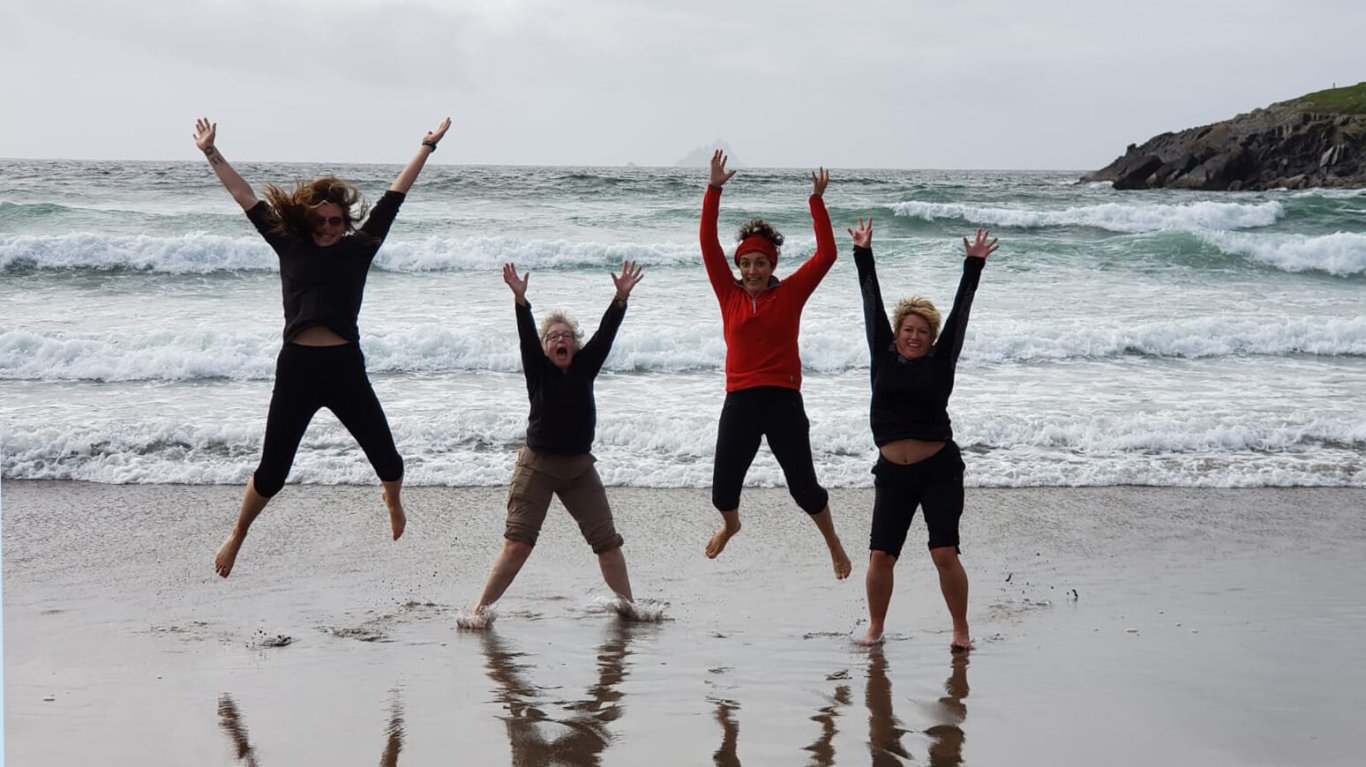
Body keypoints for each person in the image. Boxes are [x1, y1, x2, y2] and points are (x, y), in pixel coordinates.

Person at [194, 116, 451, 577]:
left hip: (344, 367)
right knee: (273, 472)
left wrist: (426, 147)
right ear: (310, 217)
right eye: (324, 219)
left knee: (390, 462)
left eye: (339, 220)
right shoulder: (286, 243)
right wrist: (211, 152)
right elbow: (245, 197)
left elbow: (395, 197)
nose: (333, 227)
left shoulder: (359, 248)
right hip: (297, 369)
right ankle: (237, 534)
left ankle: (391, 499)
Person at [463, 261, 644, 625]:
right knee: (519, 543)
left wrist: (620, 299)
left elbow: (606, 334)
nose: (561, 340)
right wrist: (520, 300)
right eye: (553, 337)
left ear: (576, 346)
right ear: (545, 348)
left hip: (580, 469)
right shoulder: (538, 369)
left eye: (567, 336)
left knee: (607, 543)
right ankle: (478, 612)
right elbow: (526, 337)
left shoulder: (585, 366)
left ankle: (630, 608)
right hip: (538, 466)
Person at [699, 150, 850, 579]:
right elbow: (707, 244)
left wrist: (816, 201)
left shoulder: (789, 295)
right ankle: (732, 525)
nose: (752, 270)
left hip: (783, 399)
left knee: (804, 490)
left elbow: (826, 255)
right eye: (745, 263)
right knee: (722, 493)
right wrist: (714, 189)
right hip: (740, 400)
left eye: (760, 262)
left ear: (772, 265)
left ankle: (834, 543)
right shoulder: (728, 294)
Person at [848, 217, 998, 649]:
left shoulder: (941, 358)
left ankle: (960, 630)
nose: (914, 336)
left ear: (932, 338)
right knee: (880, 555)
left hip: (939, 470)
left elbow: (961, 313)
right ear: (896, 334)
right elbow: (869, 301)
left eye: (922, 331)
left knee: (943, 553)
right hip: (893, 473)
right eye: (907, 330)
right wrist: (863, 254)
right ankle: (875, 628)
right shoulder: (882, 352)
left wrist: (973, 266)